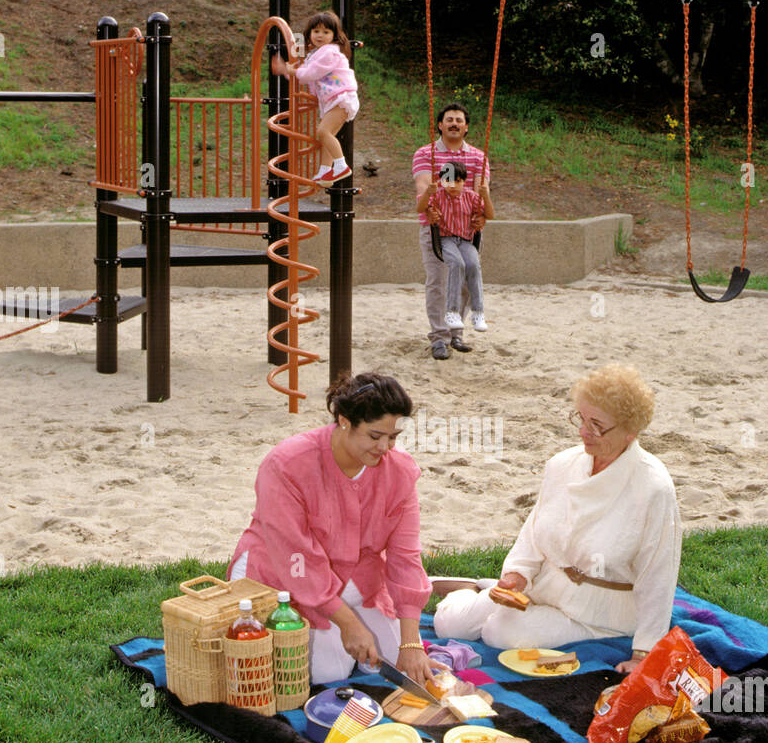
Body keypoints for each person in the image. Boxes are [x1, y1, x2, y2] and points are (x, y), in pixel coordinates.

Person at [433, 364, 682, 673]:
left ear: (630, 430)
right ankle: (470, 589)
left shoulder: (653, 488)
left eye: (596, 425)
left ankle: (479, 590)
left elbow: (659, 574)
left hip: (598, 611)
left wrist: (643, 653)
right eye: (580, 418)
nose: (582, 431)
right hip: (543, 583)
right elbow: (533, 531)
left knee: (500, 633)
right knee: (447, 623)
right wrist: (518, 575)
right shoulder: (561, 464)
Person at [229, 371, 435, 687]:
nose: (384, 448)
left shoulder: (401, 472)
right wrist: (348, 623)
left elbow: (405, 558)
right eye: (375, 435)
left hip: (353, 574)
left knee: (398, 662)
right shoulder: (286, 464)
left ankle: (355, 630)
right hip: (279, 572)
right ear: (343, 420)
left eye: (392, 437)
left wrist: (412, 643)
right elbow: (296, 559)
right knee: (327, 672)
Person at [411, 103, 491, 360]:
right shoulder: (425, 153)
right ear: (440, 125)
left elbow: (482, 192)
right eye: (449, 119)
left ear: (466, 127)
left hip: (467, 229)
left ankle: (456, 333)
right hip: (436, 229)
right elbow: (424, 187)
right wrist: (429, 206)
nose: (454, 123)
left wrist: (481, 216)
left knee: (467, 276)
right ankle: (439, 337)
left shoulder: (479, 157)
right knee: (438, 281)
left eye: (459, 120)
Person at [273, 10, 358, 185]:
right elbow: (305, 75)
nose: (320, 35)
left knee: (323, 132)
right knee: (326, 137)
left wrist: (293, 70)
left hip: (341, 98)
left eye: (326, 32)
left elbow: (310, 73)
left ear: (334, 36)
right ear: (309, 33)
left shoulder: (329, 52)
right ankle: (325, 171)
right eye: (316, 31)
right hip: (332, 100)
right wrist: (287, 71)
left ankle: (341, 166)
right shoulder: (316, 54)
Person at [416, 160, 494, 332]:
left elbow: (490, 215)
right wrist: (427, 194)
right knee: (457, 264)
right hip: (445, 240)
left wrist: (486, 195)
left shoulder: (471, 196)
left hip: (465, 240)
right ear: (442, 181)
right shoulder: (437, 196)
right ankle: (452, 311)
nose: (452, 185)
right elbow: (420, 209)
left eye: (457, 181)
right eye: (448, 181)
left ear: (464, 181)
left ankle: (478, 312)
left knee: (473, 265)